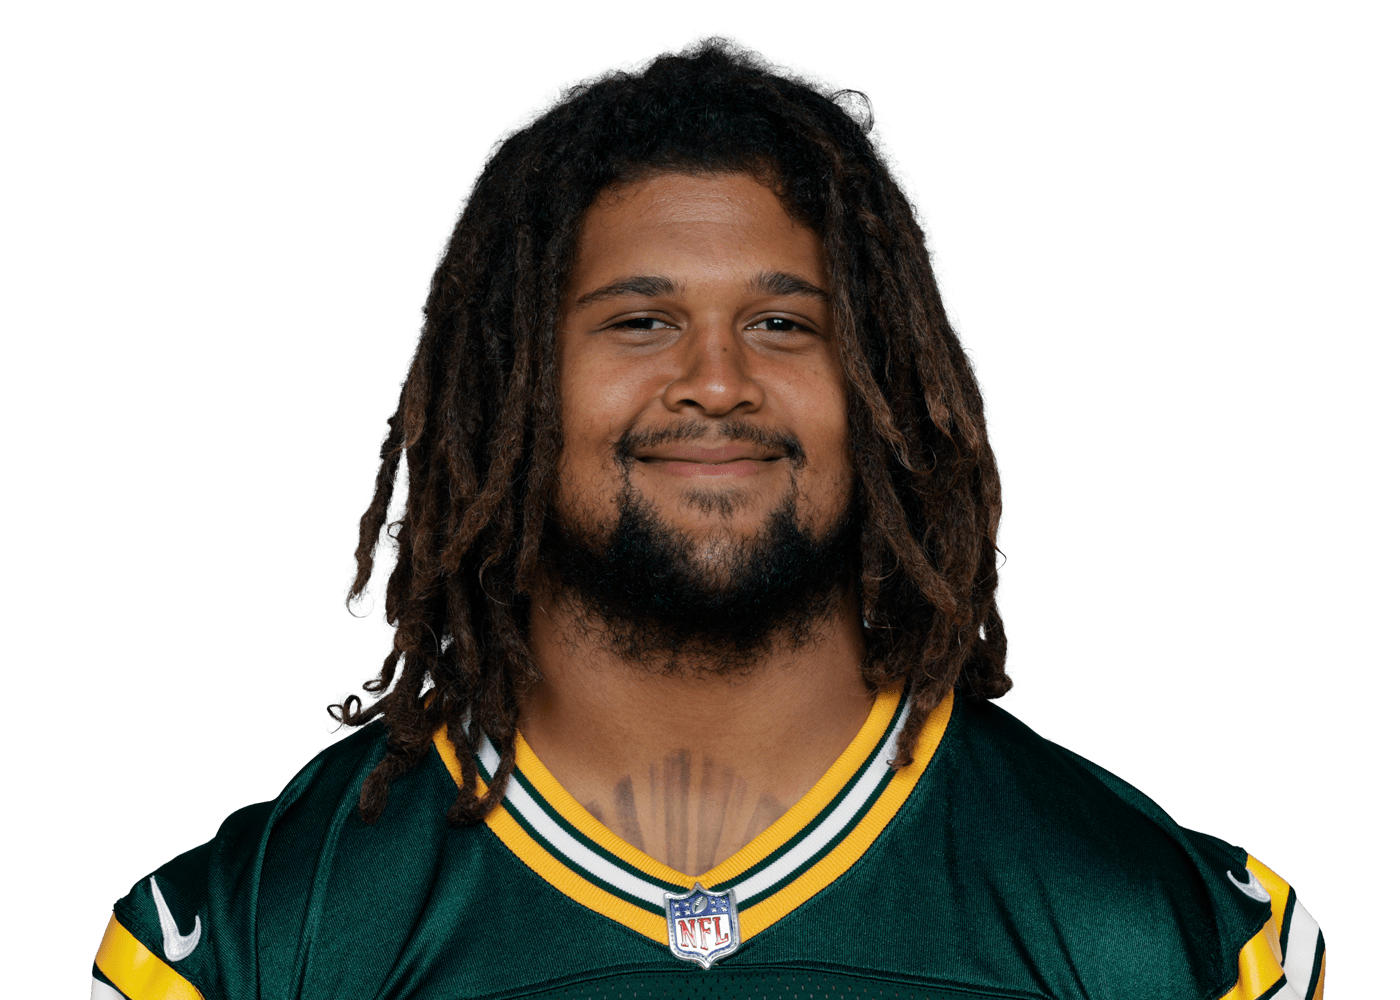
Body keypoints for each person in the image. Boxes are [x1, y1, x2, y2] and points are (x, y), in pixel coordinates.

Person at [90, 33, 1325, 1000]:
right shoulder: (254, 936)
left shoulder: (1164, 933)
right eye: (640, 321)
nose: (717, 381)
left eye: (782, 323)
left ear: (884, 385)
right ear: (509, 384)